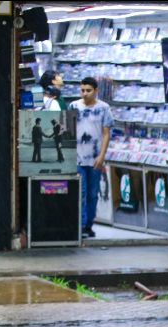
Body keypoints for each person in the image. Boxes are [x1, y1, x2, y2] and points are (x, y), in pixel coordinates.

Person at [68, 77, 113, 238]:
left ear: (96, 91)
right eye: (82, 90)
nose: (85, 94)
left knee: (93, 193)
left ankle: (88, 224)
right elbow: (68, 130)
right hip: (78, 157)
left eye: (88, 90)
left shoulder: (104, 108)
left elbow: (106, 133)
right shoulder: (73, 106)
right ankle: (80, 224)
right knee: (81, 191)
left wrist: (102, 155)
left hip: (95, 158)